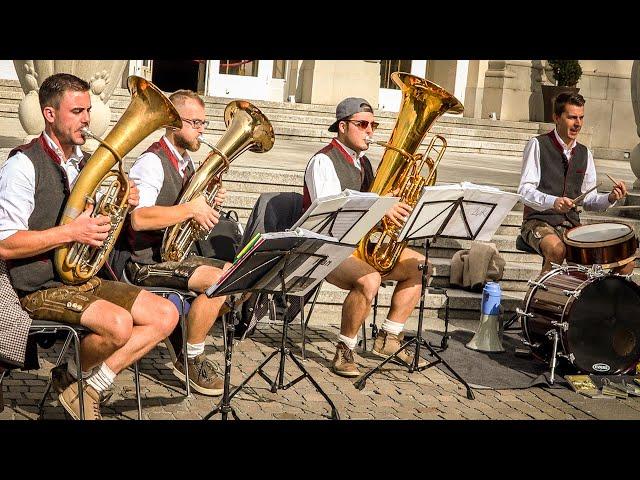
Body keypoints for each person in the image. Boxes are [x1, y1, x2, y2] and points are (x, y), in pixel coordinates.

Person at [0, 73, 179, 420]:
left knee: (166, 314)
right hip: (36, 285)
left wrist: (120, 208)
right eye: (78, 111)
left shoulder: (85, 164)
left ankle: (81, 383)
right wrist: (72, 232)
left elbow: (98, 230)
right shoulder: (23, 164)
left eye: (88, 110)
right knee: (118, 325)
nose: (87, 119)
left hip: (81, 278)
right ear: (49, 115)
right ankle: (73, 381)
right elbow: (5, 244)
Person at [303, 97, 429, 377]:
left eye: (373, 125)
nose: (370, 131)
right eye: (362, 124)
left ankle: (389, 338)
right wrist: (382, 204)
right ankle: (345, 348)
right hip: (325, 247)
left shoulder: (365, 164)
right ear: (343, 126)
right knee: (369, 279)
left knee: (421, 264)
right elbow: (332, 209)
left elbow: (372, 212)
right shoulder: (323, 160)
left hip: (359, 246)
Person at [125, 89, 229, 396]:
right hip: (144, 262)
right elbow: (139, 219)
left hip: (173, 256)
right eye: (195, 122)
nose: (202, 130)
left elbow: (189, 218)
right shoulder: (152, 162)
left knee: (241, 277)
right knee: (220, 282)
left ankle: (185, 331)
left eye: (204, 123)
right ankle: (190, 356)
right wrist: (190, 208)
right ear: (173, 123)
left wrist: (209, 204)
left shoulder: (186, 163)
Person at [518, 92, 631, 274]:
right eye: (571, 117)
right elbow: (524, 191)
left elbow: (588, 200)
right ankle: (537, 299)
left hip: (570, 225)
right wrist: (553, 201)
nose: (577, 123)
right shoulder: (538, 144)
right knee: (557, 249)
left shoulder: (585, 153)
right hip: (537, 222)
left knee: (622, 262)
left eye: (581, 118)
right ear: (556, 118)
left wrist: (610, 198)